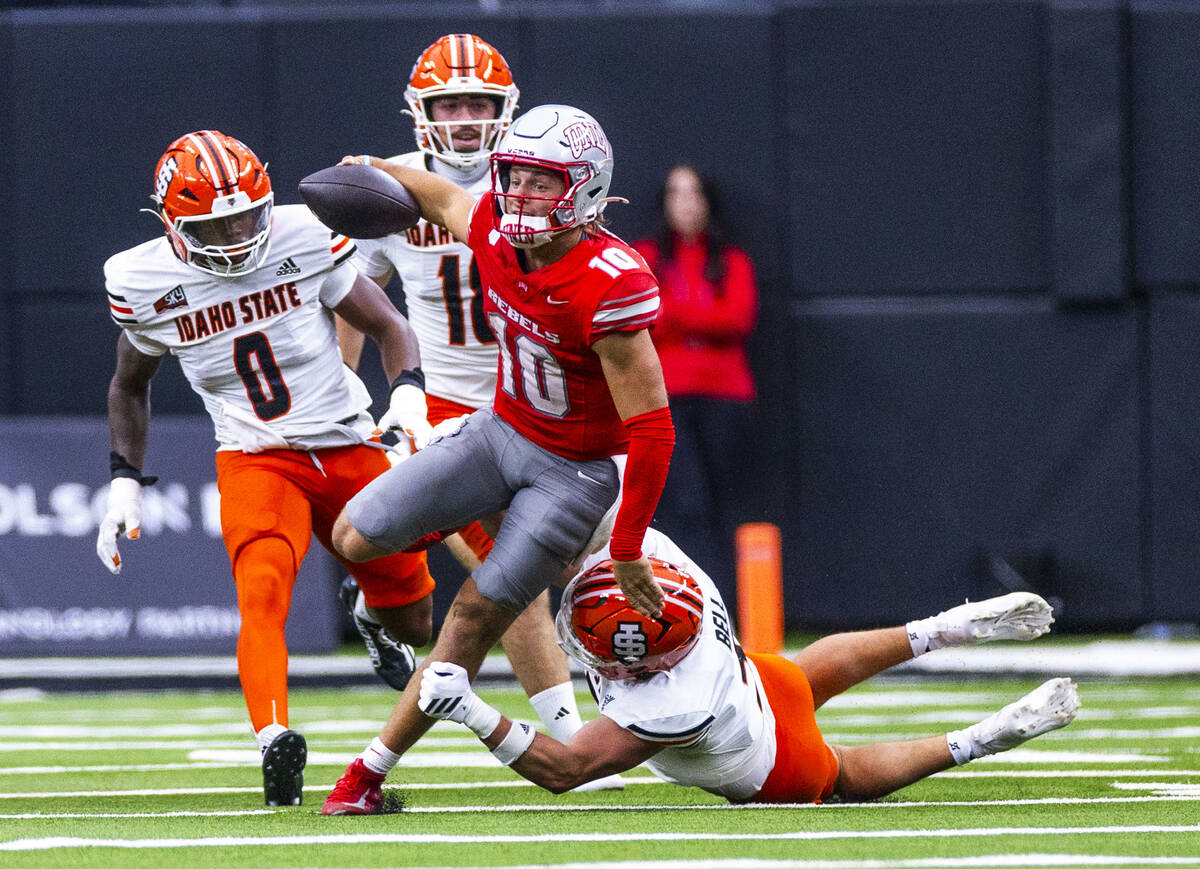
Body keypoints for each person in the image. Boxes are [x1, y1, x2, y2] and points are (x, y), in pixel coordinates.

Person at [320, 103, 675, 814]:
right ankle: (404, 568)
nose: (519, 194)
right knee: (353, 532)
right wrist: (377, 170)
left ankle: (368, 773)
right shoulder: (494, 229)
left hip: (571, 471)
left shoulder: (610, 280)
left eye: (542, 182)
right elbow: (444, 195)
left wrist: (630, 544)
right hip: (499, 432)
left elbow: (653, 430)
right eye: (513, 176)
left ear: (586, 190)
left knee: (477, 612)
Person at [97, 130, 437, 806]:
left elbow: (390, 327)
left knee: (416, 622)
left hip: (346, 441)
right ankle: (272, 735)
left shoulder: (304, 234)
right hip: (256, 456)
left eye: (247, 215)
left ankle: (370, 614)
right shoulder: (143, 280)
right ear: (170, 224)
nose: (234, 234)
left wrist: (408, 396)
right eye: (213, 224)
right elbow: (128, 384)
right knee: (261, 588)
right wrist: (123, 480)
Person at [410, 527, 1080, 804]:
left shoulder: (663, 706)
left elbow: (566, 769)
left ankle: (981, 737)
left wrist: (471, 709)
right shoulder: (676, 576)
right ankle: (942, 628)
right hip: (760, 679)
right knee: (803, 675)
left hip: (771, 763)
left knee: (842, 772)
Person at [632, 165, 758, 602]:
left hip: (727, 397)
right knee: (685, 505)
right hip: (665, 398)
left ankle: (735, 607)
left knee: (727, 505)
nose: (685, 204)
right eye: (676, 194)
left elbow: (739, 319)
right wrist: (702, 322)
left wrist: (675, 315)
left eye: (694, 194)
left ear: (708, 202)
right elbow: (641, 320)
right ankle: (689, 602)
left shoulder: (732, 259)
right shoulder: (644, 256)